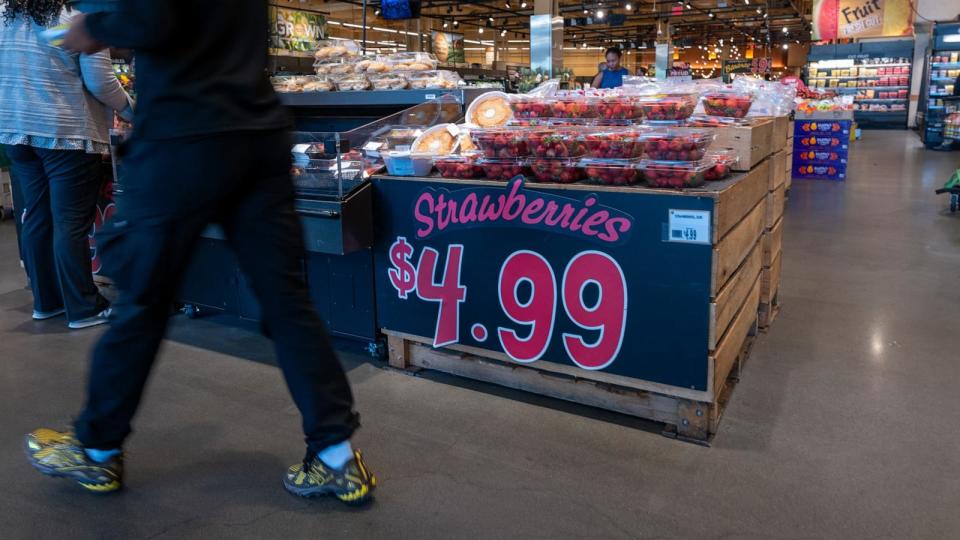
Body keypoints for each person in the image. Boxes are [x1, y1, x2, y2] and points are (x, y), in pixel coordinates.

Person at [23, 0, 376, 505]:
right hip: (256, 136)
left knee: (142, 300)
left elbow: (154, 17)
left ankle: (95, 451)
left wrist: (93, 27)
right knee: (286, 302)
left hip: (181, 141)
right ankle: (337, 458)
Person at [0, 0, 133, 329]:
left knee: (37, 215)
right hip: (65, 131)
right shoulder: (74, 15)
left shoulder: (5, 14)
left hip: (15, 129)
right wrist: (133, 111)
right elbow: (100, 81)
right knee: (70, 223)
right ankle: (83, 307)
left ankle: (47, 302)